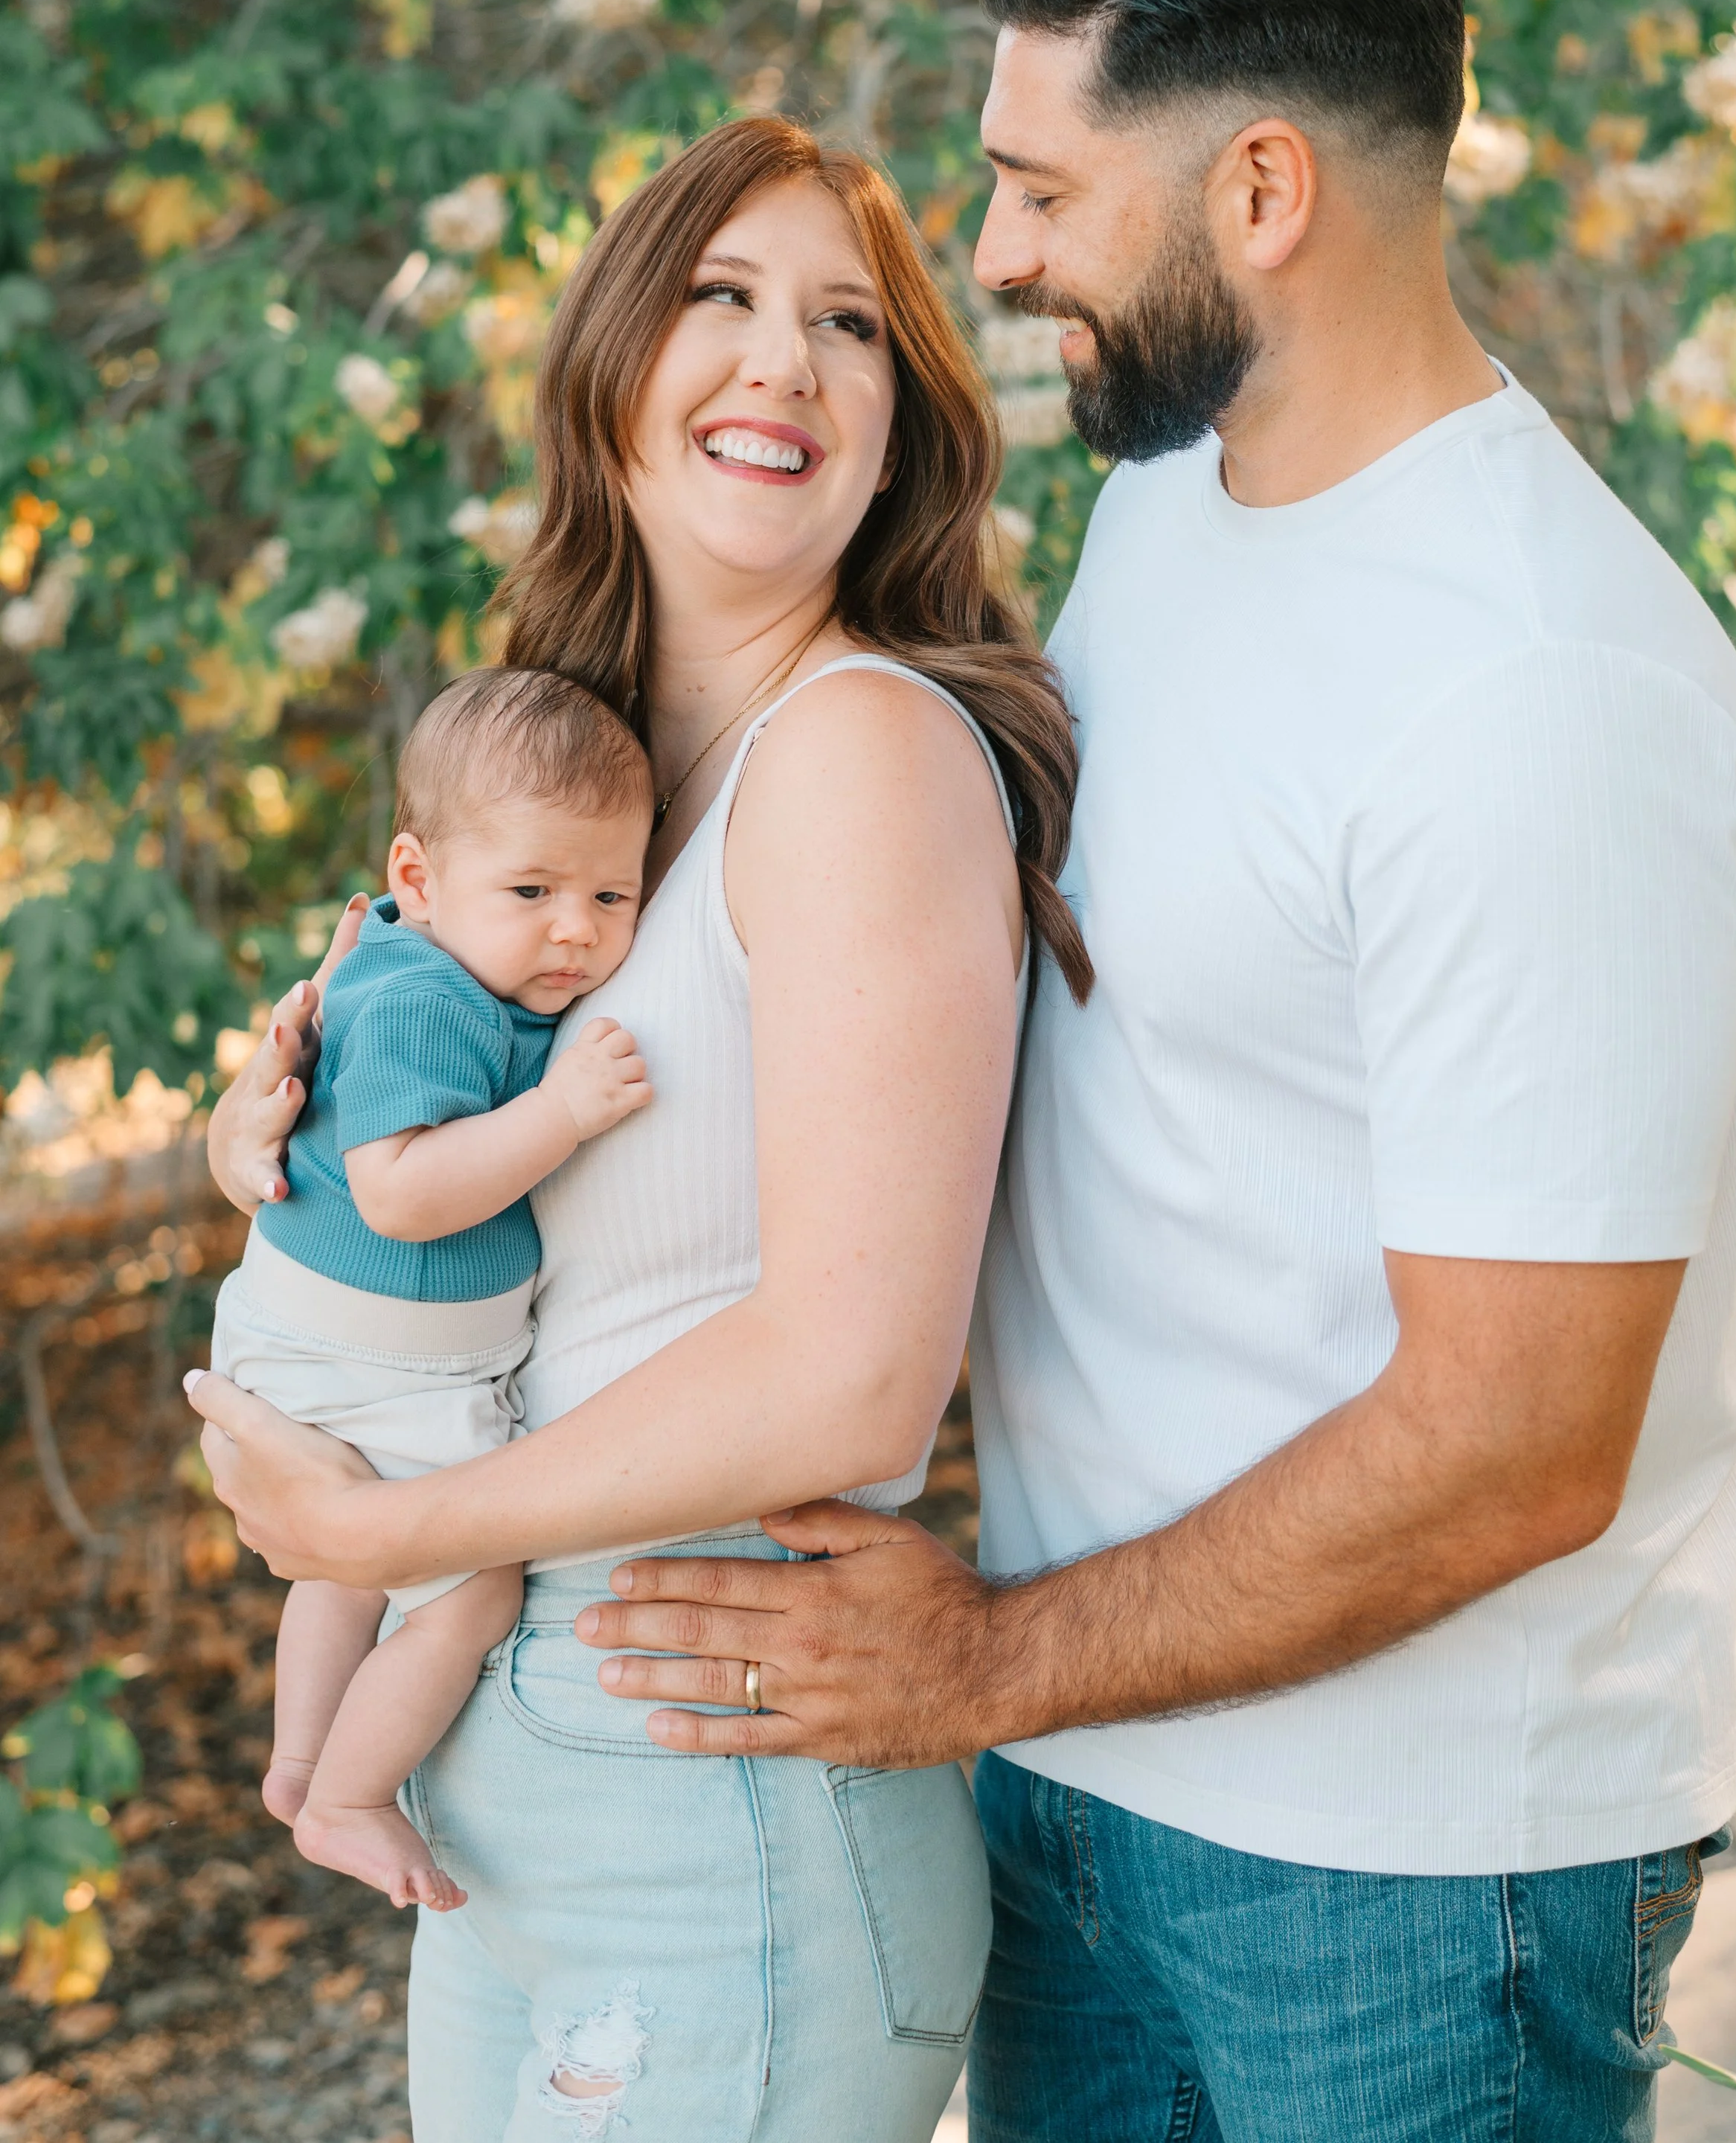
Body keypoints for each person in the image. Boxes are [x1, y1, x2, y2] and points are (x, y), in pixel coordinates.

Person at [551, 0, 1736, 2143]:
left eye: (1041, 187)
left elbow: (1513, 1448)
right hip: (1085, 1755)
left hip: (1407, 1868)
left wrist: (980, 1657)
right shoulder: (1175, 499)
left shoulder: (1537, 696)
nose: (996, 254)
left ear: (1259, 192)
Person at [187, 116, 1091, 2143]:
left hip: (705, 1771)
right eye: (723, 296)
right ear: (611, 369)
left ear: (897, 430)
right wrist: (278, 1134)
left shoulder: (855, 754)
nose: (783, 359)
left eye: (847, 325)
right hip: (506, 1782)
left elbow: (854, 1371)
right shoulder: (569, 771)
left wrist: (382, 1534)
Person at [211, 666, 653, 1911]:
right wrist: (563, 1113)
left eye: (611, 895)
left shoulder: (459, 974)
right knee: (473, 1592)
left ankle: (304, 1764)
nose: (576, 930)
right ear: (416, 877)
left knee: (341, 1568)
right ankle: (350, 1798)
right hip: (370, 1356)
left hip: (342, 1346)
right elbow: (401, 1193)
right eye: (533, 892)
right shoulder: (423, 1000)